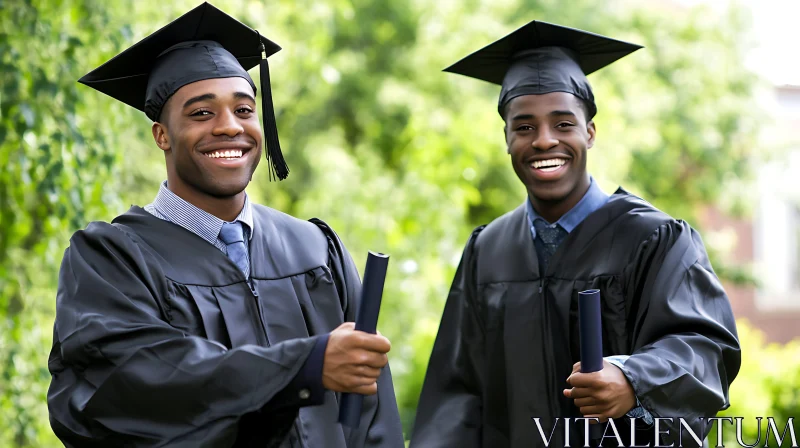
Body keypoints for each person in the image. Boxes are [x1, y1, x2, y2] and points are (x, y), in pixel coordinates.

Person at [46, 3, 404, 447]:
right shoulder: (112, 259)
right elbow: (133, 384)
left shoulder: (315, 249)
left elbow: (375, 419)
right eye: (201, 113)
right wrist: (303, 366)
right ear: (162, 135)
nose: (229, 127)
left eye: (244, 109)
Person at [409, 20, 741, 448]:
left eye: (563, 124)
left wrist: (633, 379)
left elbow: (704, 349)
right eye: (524, 127)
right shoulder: (487, 250)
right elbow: (456, 396)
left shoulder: (654, 239)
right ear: (506, 139)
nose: (544, 140)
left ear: (589, 132)